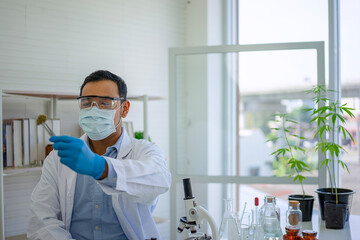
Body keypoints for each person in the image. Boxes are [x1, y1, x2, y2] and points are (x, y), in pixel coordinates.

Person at [27, 70, 171, 240]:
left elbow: (159, 181)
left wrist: (100, 168)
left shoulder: (144, 150)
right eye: (87, 103)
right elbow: (42, 220)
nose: (94, 110)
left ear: (124, 108)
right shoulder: (59, 158)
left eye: (104, 102)